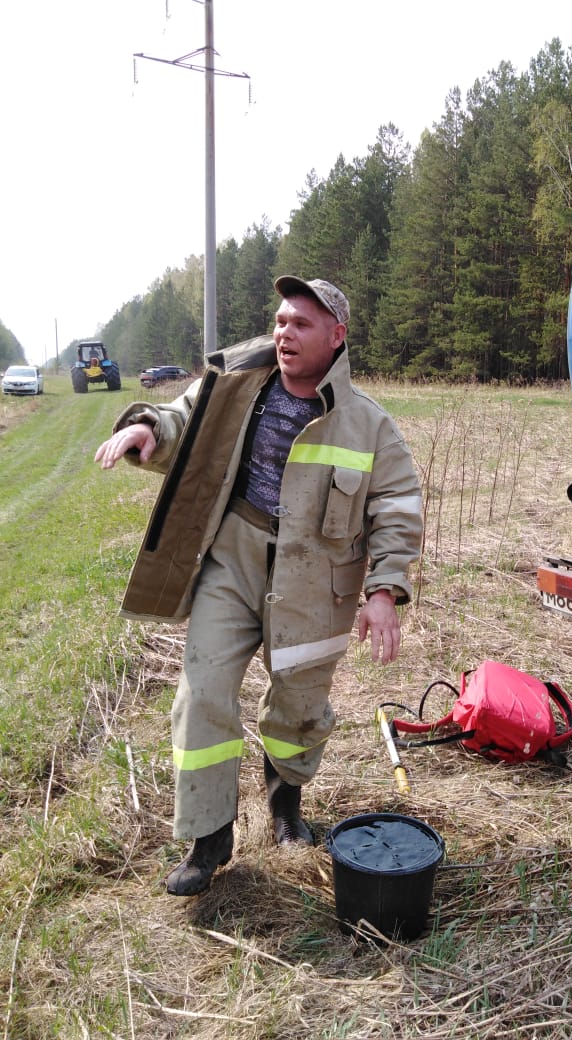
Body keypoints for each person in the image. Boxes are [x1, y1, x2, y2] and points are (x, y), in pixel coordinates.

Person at [95, 276, 423, 896]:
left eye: (301, 324)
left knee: (299, 704)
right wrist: (148, 430)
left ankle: (285, 808)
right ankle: (209, 837)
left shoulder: (370, 426)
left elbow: (398, 510)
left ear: (336, 336)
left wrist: (383, 592)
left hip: (316, 579)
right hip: (233, 559)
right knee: (203, 690)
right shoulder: (235, 384)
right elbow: (180, 417)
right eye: (280, 321)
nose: (284, 333)